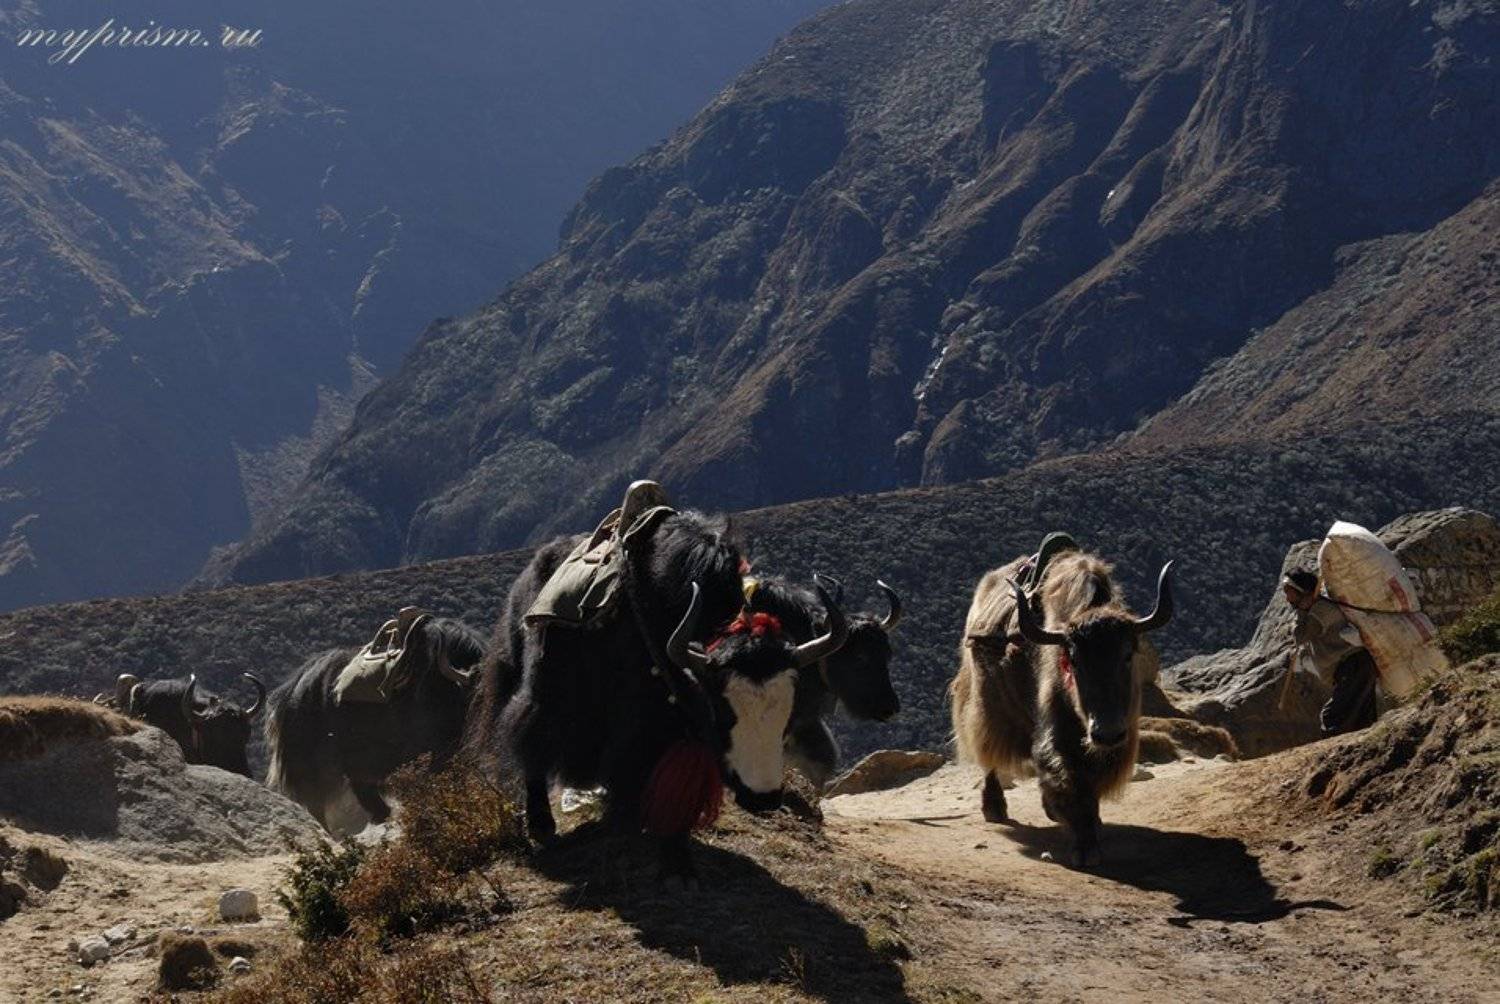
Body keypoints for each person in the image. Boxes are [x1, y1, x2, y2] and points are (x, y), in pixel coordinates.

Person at [1283, 569, 1380, 735]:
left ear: (1301, 591)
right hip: (1356, 667)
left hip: (1353, 667)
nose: (1287, 598)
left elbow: (1301, 636)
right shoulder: (1317, 609)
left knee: (1332, 718)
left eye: (1289, 592)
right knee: (1361, 718)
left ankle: (1331, 756)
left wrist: (1301, 611)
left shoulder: (1321, 611)